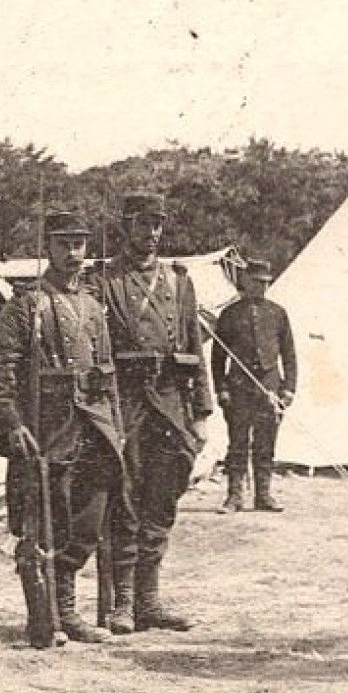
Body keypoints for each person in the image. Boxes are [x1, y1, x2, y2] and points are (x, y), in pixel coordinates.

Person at [0, 209, 124, 644]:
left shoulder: (93, 305)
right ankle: (44, 616)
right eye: (64, 244)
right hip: (46, 430)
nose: (73, 254)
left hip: (92, 428)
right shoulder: (26, 305)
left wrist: (115, 426)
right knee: (42, 524)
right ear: (49, 248)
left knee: (87, 521)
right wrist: (11, 426)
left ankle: (67, 609)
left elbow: (107, 370)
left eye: (79, 244)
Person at [97, 191, 214, 632]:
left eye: (158, 224)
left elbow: (193, 347)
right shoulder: (104, 281)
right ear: (126, 227)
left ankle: (150, 599)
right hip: (125, 403)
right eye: (144, 224)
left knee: (162, 499)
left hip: (170, 403)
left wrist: (201, 411)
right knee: (124, 498)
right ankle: (123, 601)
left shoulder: (179, 281)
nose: (153, 233)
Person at [211, 258, 296, 513]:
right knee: (237, 442)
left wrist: (288, 388)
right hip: (239, 388)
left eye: (266, 283)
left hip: (270, 387)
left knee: (266, 442)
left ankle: (264, 495)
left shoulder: (277, 313)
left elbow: (289, 354)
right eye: (257, 282)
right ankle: (235, 496)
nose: (261, 288)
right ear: (246, 281)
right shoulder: (230, 314)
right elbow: (218, 358)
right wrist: (221, 388)